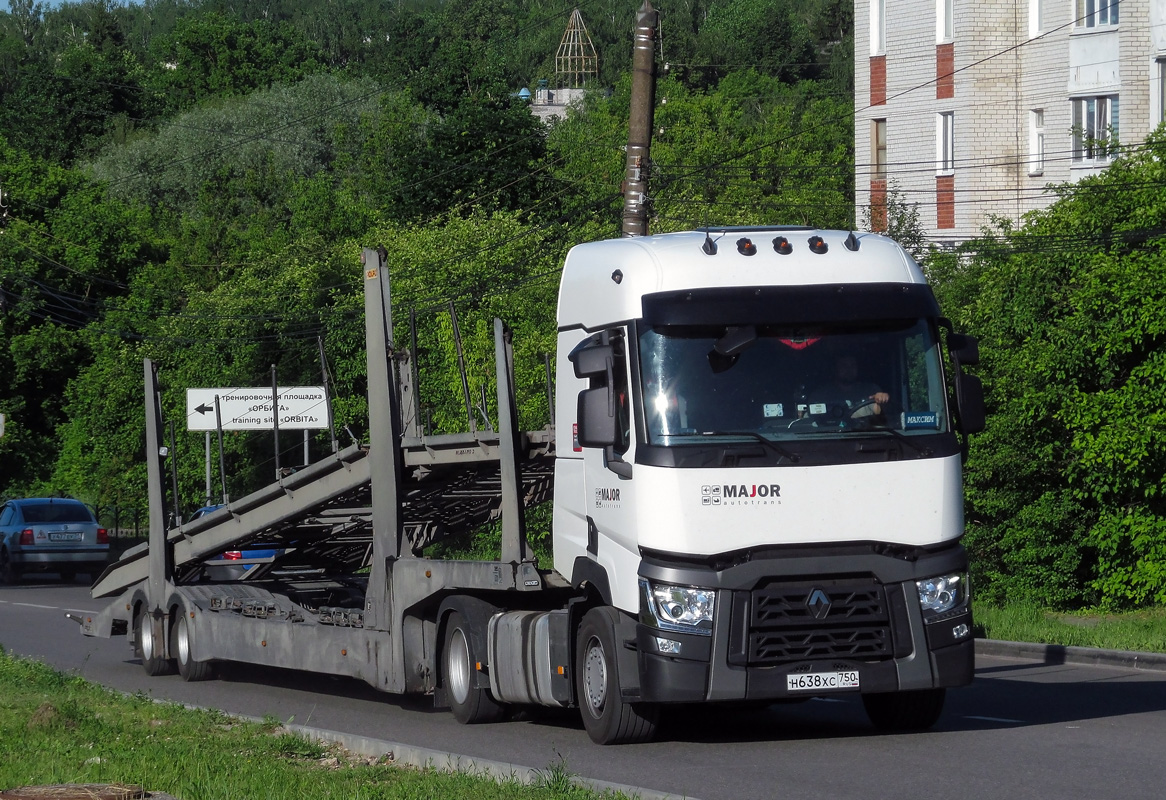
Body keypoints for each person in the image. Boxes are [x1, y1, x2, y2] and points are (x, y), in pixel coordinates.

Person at [807, 355, 889, 420]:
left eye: (852, 365)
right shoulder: (819, 396)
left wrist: (883, 400)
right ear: (835, 369)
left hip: (864, 437)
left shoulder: (871, 391)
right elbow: (807, 422)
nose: (849, 369)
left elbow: (884, 416)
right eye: (844, 365)